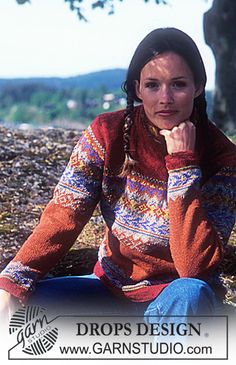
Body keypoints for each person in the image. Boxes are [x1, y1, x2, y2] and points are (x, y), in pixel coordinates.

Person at [0, 28, 235, 321]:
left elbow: (195, 268)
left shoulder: (222, 157)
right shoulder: (107, 134)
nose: (165, 98)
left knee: (191, 293)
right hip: (109, 290)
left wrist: (183, 165)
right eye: (152, 85)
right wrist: (14, 280)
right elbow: (64, 215)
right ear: (137, 89)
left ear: (198, 87)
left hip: (175, 300)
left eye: (178, 84)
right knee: (24, 308)